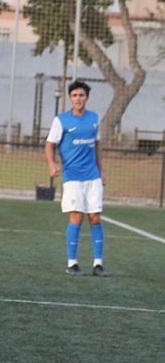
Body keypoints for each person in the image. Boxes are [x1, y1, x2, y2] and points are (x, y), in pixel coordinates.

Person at [45, 80, 108, 277]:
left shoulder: (94, 118)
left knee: (95, 217)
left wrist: (101, 171)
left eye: (81, 95)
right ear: (70, 98)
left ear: (86, 98)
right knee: (77, 217)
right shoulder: (61, 120)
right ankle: (72, 263)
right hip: (72, 176)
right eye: (74, 96)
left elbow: (97, 146)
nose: (78, 99)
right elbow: (49, 145)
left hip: (92, 176)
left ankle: (98, 264)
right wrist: (52, 163)